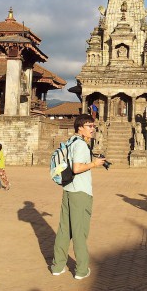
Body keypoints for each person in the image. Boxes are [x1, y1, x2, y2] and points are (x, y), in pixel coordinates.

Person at [51, 114, 106, 280]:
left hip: (68, 189)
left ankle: (57, 266)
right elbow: (76, 168)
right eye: (89, 126)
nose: (92, 129)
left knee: (64, 230)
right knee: (80, 231)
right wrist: (94, 164)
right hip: (80, 192)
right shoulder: (81, 144)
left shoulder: (71, 142)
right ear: (80, 127)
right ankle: (81, 270)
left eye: (93, 126)